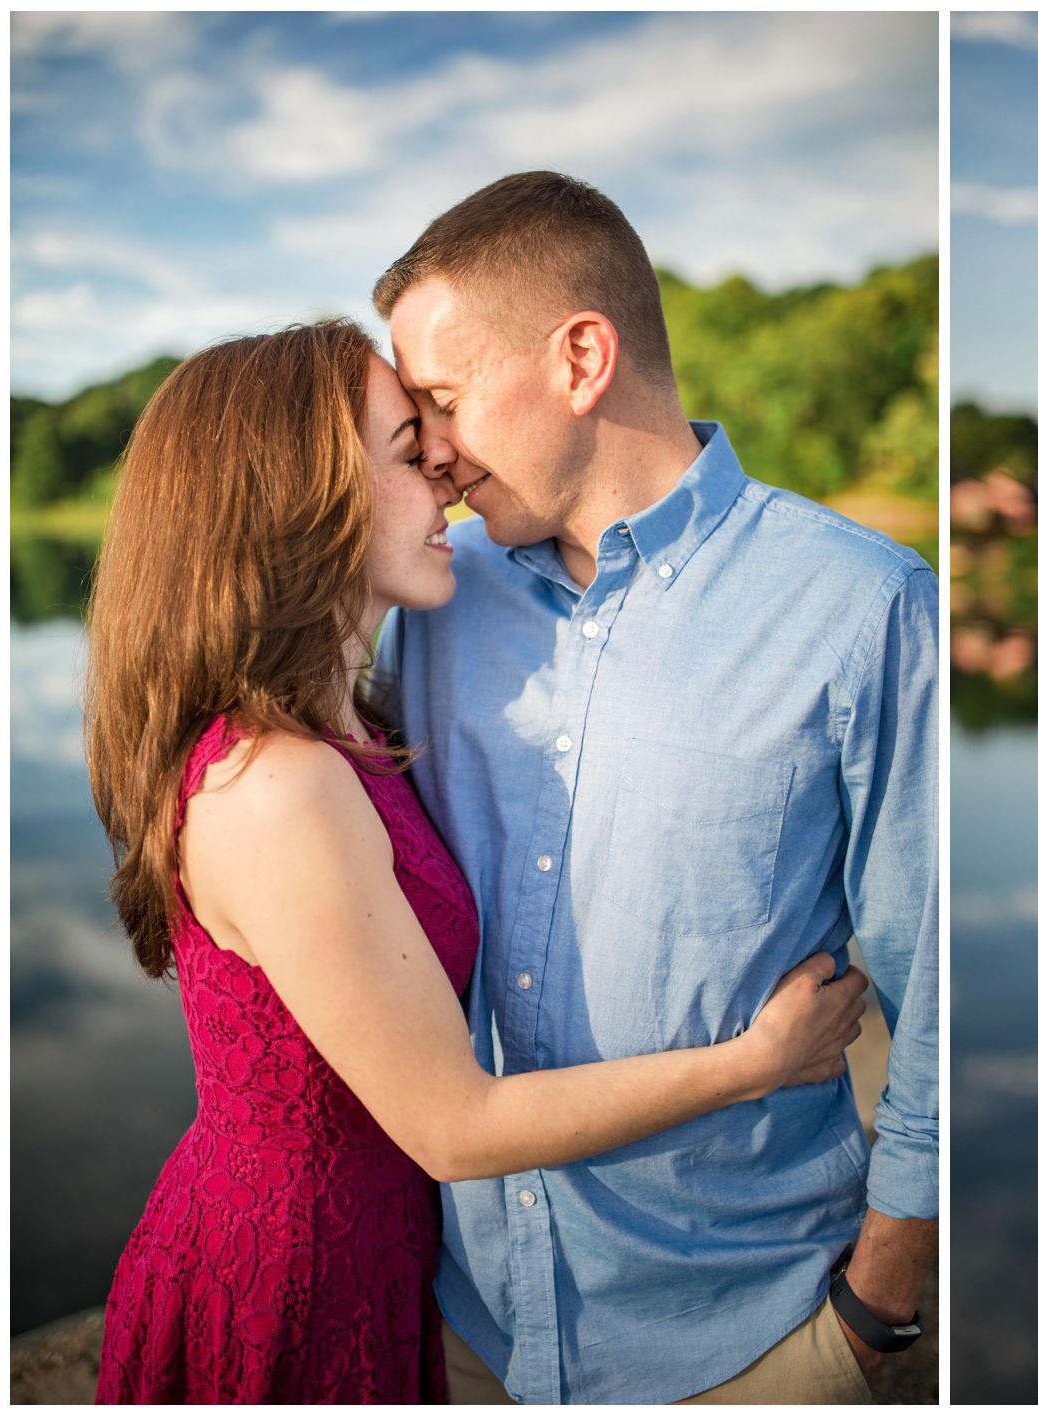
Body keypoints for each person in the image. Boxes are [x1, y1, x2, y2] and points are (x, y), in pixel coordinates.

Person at [81, 319, 872, 1404]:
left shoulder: (346, 728)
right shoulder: (278, 785)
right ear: (297, 498)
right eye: (408, 454)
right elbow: (454, 1128)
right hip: (294, 1284)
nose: (447, 483)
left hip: (384, 1262)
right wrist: (756, 1060)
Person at [372, 171, 941, 1404]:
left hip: (749, 1339)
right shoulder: (428, 605)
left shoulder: (863, 609)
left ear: (583, 357)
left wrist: (875, 1309)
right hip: (466, 1324)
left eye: (444, 400)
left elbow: (946, 986)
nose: (432, 451)